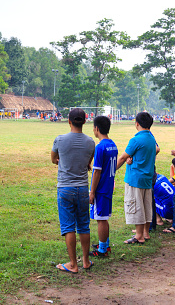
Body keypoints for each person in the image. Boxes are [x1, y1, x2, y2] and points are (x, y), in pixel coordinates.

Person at [51, 108, 95, 273]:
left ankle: (72, 264)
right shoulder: (91, 142)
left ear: (69, 121)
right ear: (84, 121)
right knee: (84, 225)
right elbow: (88, 163)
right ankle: (85, 261)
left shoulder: (60, 140)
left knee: (68, 226)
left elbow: (53, 159)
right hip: (83, 188)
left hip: (65, 188)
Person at [116, 112, 157, 244]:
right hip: (147, 177)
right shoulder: (151, 139)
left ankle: (139, 236)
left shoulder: (136, 140)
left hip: (135, 178)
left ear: (137, 123)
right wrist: (133, 159)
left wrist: (110, 170)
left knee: (136, 206)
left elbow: (122, 157)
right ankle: (145, 233)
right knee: (146, 205)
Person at [89, 116, 118, 258]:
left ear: (97, 129)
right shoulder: (113, 145)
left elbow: (97, 171)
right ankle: (104, 244)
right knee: (104, 217)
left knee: (101, 218)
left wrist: (92, 191)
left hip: (101, 188)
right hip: (108, 186)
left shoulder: (100, 147)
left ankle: (102, 250)